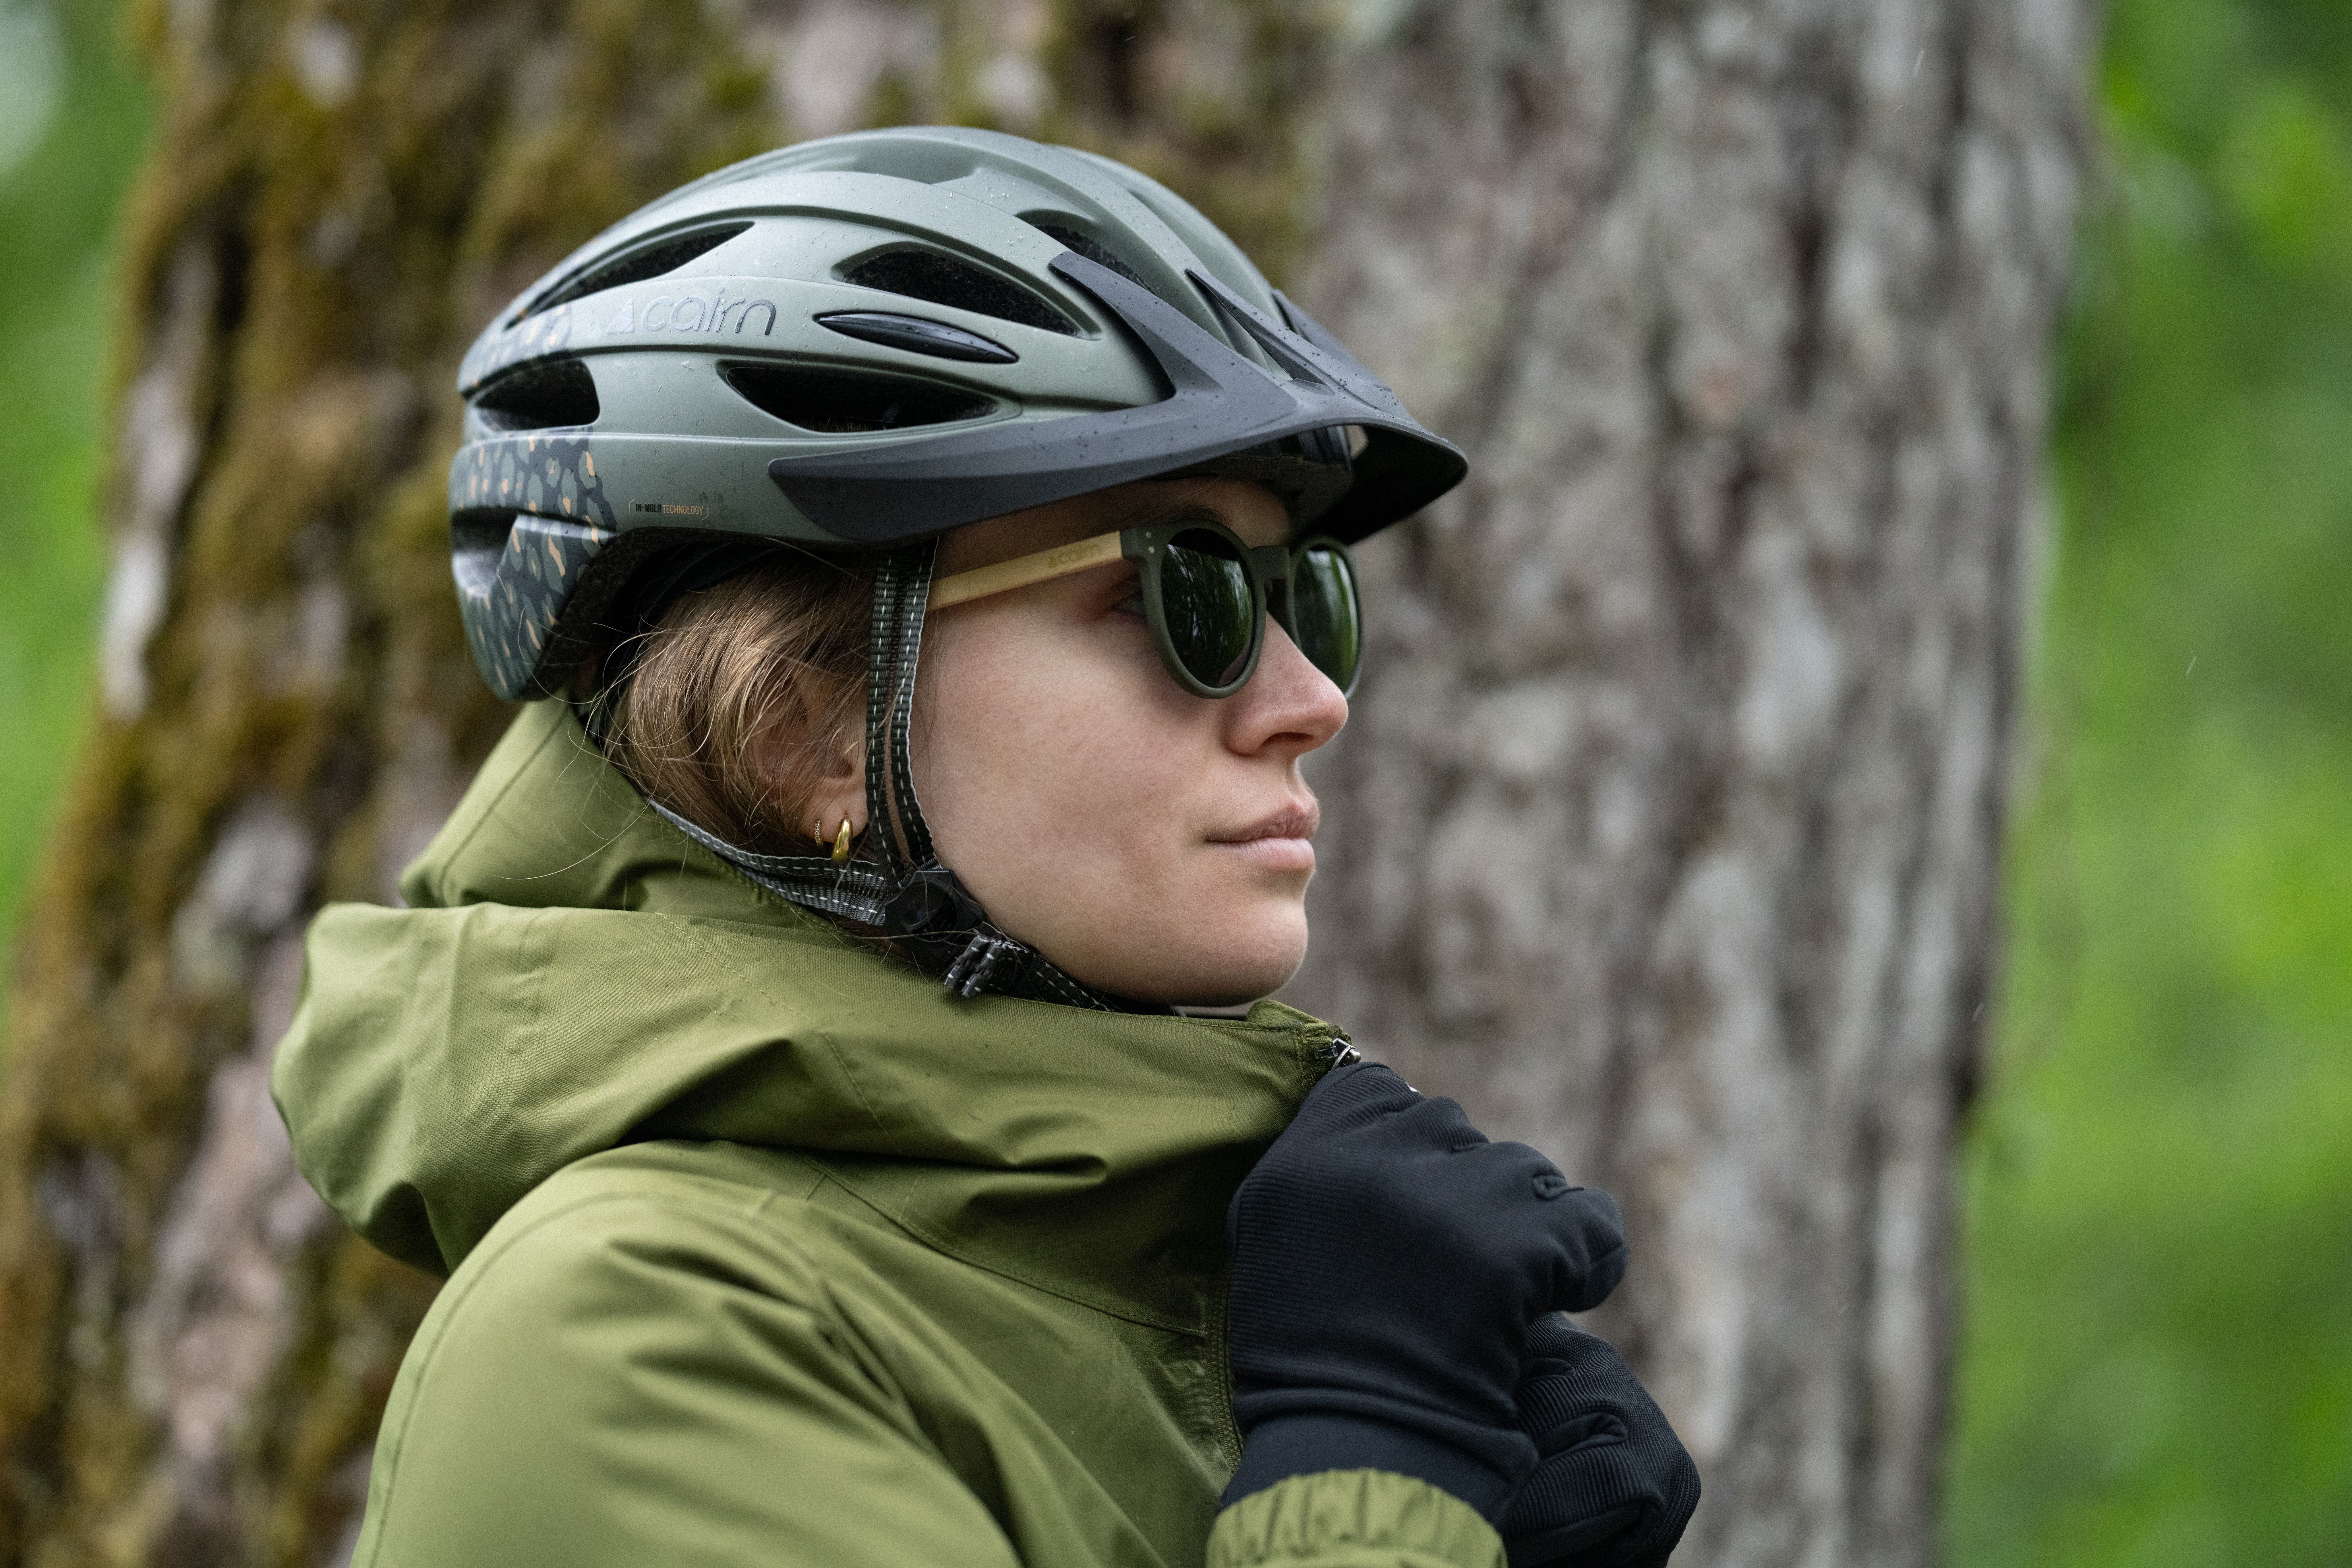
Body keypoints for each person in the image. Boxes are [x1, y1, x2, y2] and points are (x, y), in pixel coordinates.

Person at [273, 127, 1699, 1568]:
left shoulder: (1169, 1293)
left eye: (1300, 595)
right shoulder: (628, 1334)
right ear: (807, 726)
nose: (1309, 700)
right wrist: (1374, 1458)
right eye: (1184, 593)